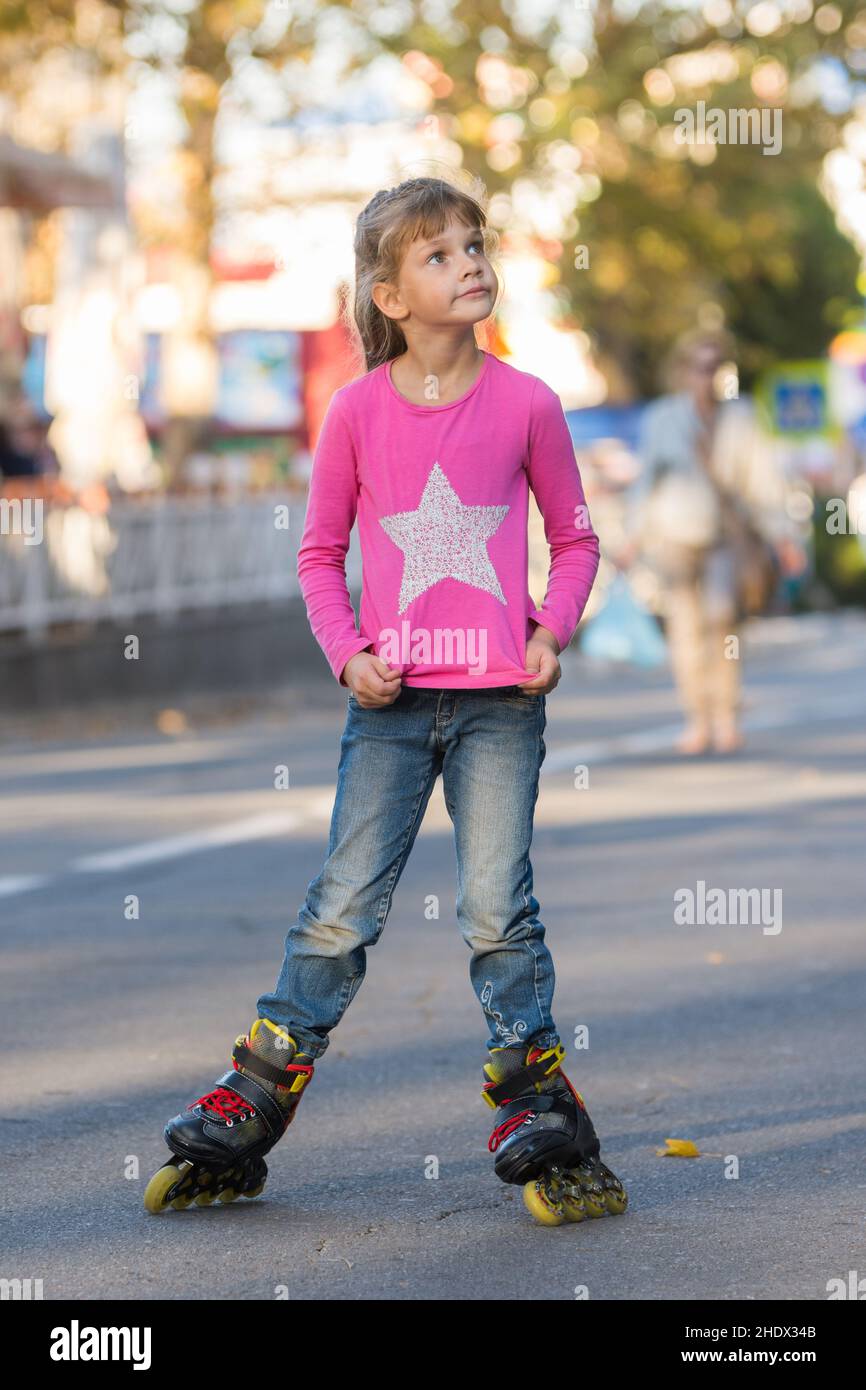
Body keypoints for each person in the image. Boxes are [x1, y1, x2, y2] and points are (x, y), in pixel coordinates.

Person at [144, 175, 627, 1227]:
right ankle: (257, 1093)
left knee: (498, 909)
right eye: (439, 253)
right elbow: (319, 557)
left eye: (474, 244)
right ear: (390, 294)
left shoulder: (529, 402)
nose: (469, 263)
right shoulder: (355, 411)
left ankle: (531, 1094)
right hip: (391, 704)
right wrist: (347, 653)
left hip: (499, 699)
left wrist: (551, 628)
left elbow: (577, 537)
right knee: (340, 907)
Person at [623, 328, 800, 755]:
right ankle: (696, 718)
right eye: (700, 368)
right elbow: (646, 483)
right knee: (685, 629)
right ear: (684, 371)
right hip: (676, 538)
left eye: (715, 368)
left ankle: (725, 717)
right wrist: (633, 536)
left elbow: (763, 482)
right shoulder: (663, 419)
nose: (708, 377)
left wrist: (784, 537)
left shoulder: (742, 419)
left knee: (723, 624)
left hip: (725, 538)